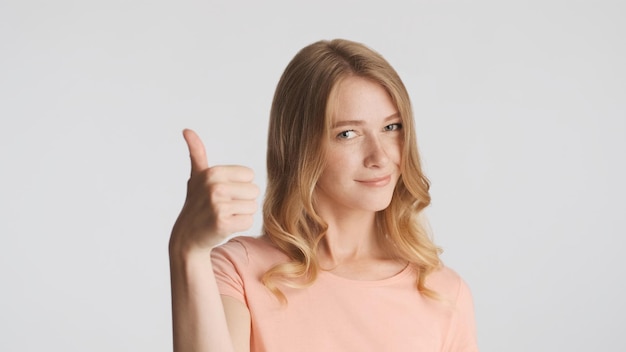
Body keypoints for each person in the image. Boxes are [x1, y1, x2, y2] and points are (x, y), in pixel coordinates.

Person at [169, 38, 478, 352]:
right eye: (348, 133)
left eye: (391, 127)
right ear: (299, 146)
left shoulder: (443, 293)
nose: (380, 157)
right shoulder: (240, 271)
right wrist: (187, 248)